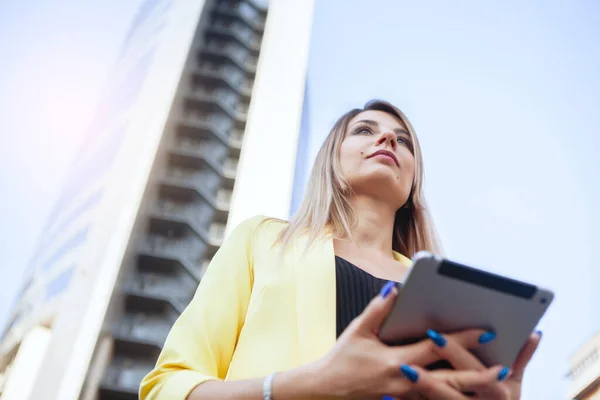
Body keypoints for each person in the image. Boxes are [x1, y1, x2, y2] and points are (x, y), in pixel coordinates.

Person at [139, 100, 541, 399]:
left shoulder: (445, 294)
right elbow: (167, 387)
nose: (387, 139)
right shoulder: (263, 240)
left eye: (404, 142)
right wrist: (308, 385)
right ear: (331, 157)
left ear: (414, 182)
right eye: (365, 130)